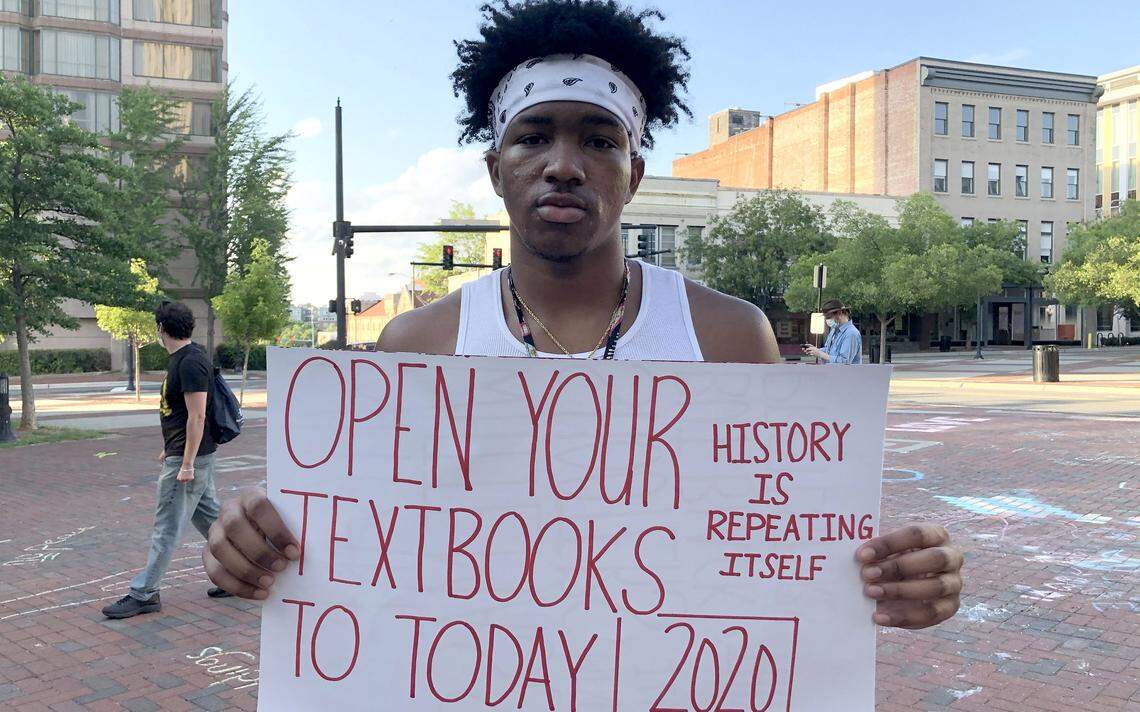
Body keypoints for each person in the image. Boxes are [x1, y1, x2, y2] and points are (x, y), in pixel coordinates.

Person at [204, 0, 962, 631]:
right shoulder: (419, 342)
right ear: (496, 169)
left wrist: (894, 578)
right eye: (533, 136)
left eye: (598, 139)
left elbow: (773, 544)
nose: (563, 163)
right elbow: (366, 549)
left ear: (631, 174)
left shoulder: (727, 334)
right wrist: (258, 546)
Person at [103, 302, 230, 619]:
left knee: (166, 527)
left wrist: (185, 462)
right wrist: (171, 448)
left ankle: (145, 593)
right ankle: (239, 573)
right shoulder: (186, 358)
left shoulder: (190, 363)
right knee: (210, 520)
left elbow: (198, 416)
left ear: (161, 327)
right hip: (188, 454)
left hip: (190, 462)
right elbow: (180, 414)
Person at [803, 298, 863, 364]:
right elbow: (828, 350)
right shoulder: (834, 330)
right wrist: (815, 350)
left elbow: (845, 362)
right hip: (831, 373)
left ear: (839, 313)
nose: (827, 320)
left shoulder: (851, 333)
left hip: (844, 374)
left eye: (829, 317)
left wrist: (820, 353)